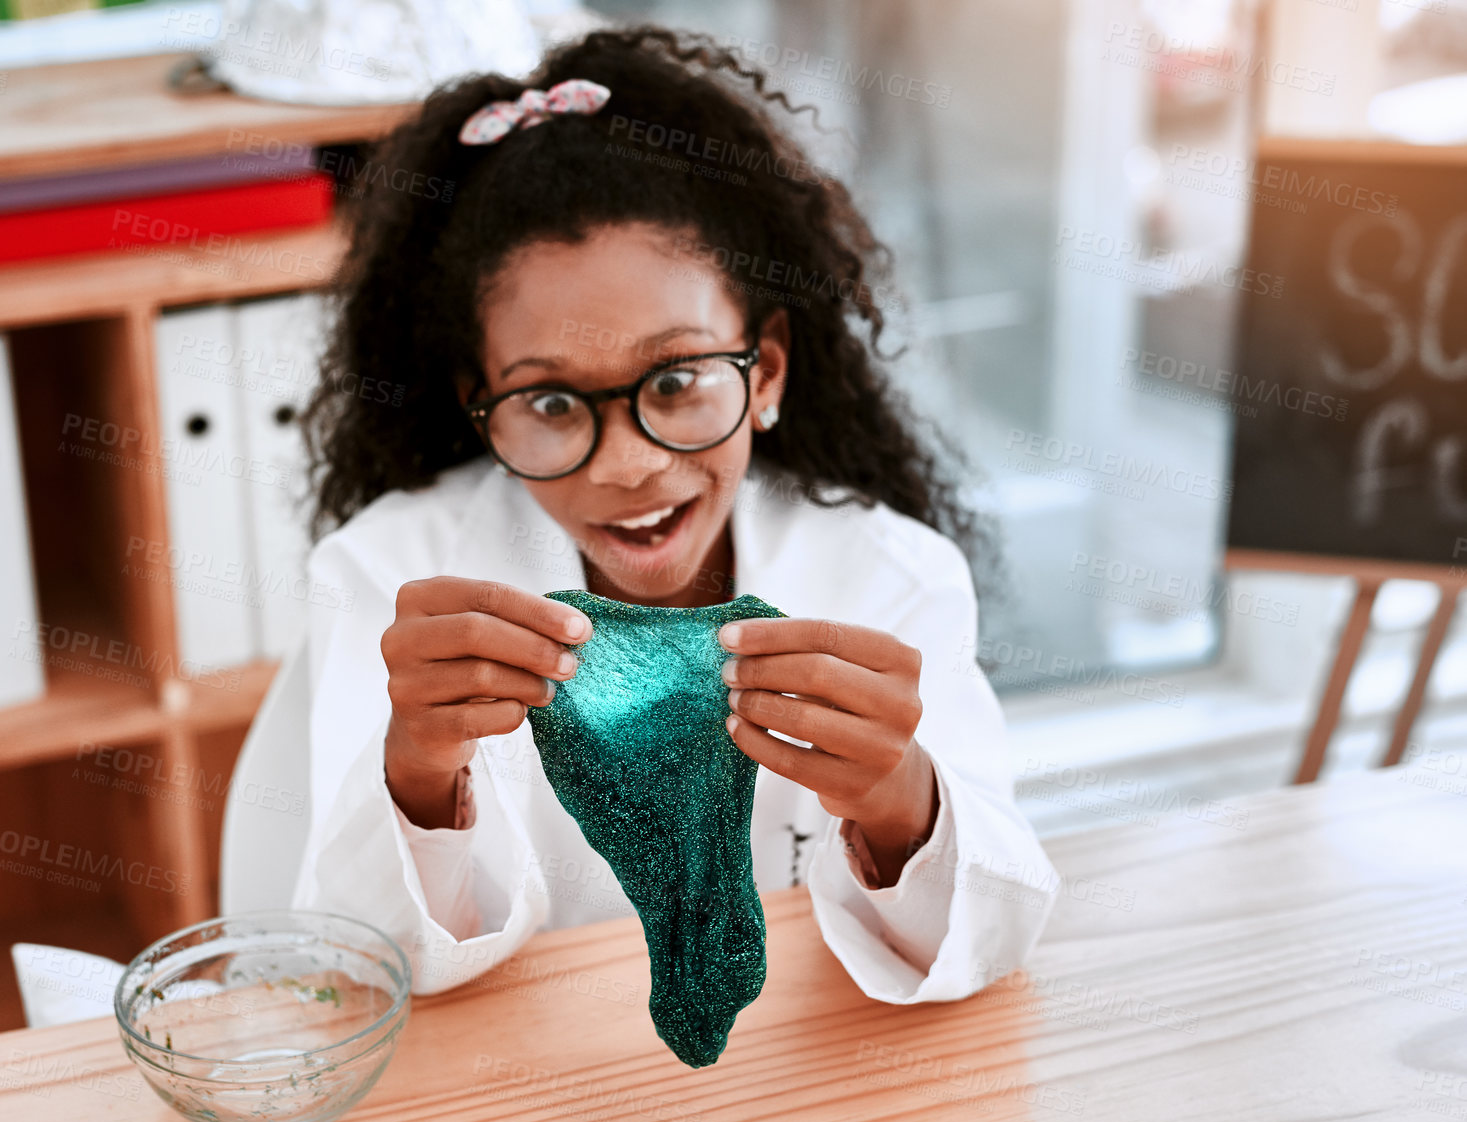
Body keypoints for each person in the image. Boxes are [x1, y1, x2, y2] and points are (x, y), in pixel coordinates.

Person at [290, 25, 1059, 1006]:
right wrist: (419, 770)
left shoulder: (888, 576)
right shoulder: (387, 573)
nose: (630, 464)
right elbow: (358, 968)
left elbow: (991, 942)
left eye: (679, 379)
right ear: (478, 405)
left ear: (767, 370)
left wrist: (901, 800)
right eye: (552, 402)